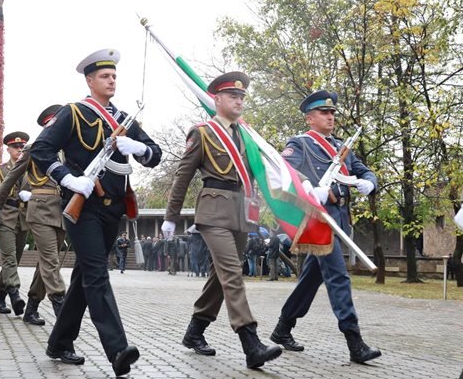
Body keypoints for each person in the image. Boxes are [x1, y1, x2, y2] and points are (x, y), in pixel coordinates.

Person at [31, 48, 161, 377]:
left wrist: (141, 148)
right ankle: (118, 349)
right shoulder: (74, 113)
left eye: (114, 75)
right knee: (96, 274)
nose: (111, 80)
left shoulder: (125, 120)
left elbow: (156, 154)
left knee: (84, 278)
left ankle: (60, 342)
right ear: (90, 81)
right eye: (104, 76)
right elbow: (41, 149)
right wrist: (67, 177)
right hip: (83, 206)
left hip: (113, 208)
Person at [161, 72, 282, 369]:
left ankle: (195, 331)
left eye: (242, 97)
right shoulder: (202, 132)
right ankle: (250, 342)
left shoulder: (247, 135)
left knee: (222, 275)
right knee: (232, 274)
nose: (239, 101)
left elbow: (260, 172)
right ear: (216, 99)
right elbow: (183, 176)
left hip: (240, 214)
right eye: (233, 96)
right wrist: (170, 217)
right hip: (213, 212)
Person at [270, 90, 381, 363]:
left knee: (312, 278)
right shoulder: (300, 144)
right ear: (310, 117)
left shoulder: (341, 147)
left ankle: (283, 328)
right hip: (318, 219)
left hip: (340, 218)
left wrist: (369, 182)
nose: (330, 117)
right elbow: (284, 173)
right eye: (324, 113)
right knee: (338, 276)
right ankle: (354, 342)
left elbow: (363, 170)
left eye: (332, 113)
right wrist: (309, 188)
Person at [0, 107, 68, 324]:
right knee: (51, 261)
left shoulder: (70, 149)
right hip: (40, 209)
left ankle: (32, 306)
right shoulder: (35, 148)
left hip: (62, 211)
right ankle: (63, 315)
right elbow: (11, 177)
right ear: (47, 125)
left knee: (47, 263)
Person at [0, 131, 31, 316]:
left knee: (14, 260)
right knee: (9, 257)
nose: (19, 150)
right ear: (8, 149)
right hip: (5, 216)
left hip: (23, 218)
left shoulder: (31, 170)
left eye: (22, 147)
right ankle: (14, 294)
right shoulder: (0, 170)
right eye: (16, 147)